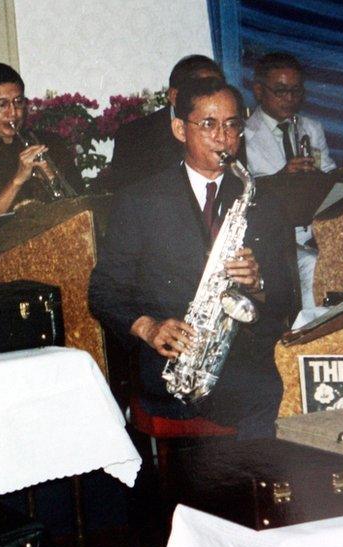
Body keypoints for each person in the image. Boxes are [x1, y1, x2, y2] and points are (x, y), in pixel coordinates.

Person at [89, 78, 294, 440]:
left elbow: (286, 299)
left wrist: (258, 284)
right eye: (209, 124)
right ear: (179, 129)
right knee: (265, 399)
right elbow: (103, 292)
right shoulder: (139, 200)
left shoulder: (262, 200)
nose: (223, 137)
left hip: (246, 357)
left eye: (232, 125)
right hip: (174, 363)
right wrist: (148, 328)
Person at [244, 52, 336, 311]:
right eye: (280, 91)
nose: (289, 99)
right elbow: (247, 191)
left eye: (296, 91)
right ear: (259, 90)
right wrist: (283, 178)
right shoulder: (243, 134)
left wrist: (320, 178)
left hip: (315, 233)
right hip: (274, 239)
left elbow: (329, 171)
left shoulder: (312, 128)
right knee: (311, 268)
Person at [0, 63, 82, 222]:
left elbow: (81, 205)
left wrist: (53, 178)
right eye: (2, 105)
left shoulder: (51, 142)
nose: (13, 113)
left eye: (18, 102)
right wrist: (17, 180)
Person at [108, 55, 225, 191]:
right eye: (202, 93)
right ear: (174, 96)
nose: (212, 100)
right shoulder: (133, 136)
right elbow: (128, 198)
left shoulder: (229, 132)